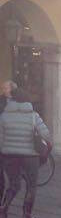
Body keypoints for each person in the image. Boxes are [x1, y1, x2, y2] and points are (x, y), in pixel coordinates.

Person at [0, 83, 50, 218]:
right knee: (31, 185)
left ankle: (3, 211)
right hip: (30, 156)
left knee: (13, 185)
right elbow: (46, 134)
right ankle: (26, 214)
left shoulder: (4, 116)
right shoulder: (33, 116)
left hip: (9, 155)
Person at [0, 80, 13, 208]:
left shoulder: (19, 101)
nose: (3, 90)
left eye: (5, 88)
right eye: (3, 88)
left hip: (12, 142)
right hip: (2, 141)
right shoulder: (1, 101)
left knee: (14, 180)